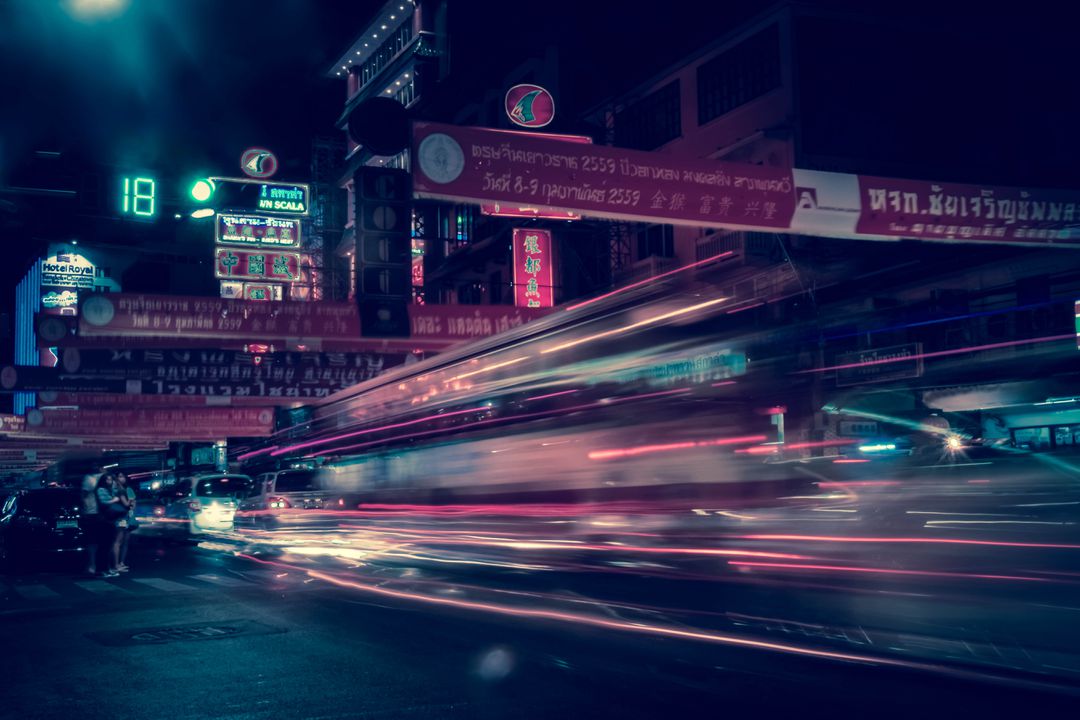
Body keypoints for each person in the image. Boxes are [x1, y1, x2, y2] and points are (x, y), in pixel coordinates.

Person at [95, 474, 125, 578]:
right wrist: (116, 500)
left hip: (114, 519)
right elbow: (104, 502)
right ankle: (106, 568)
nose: (110, 481)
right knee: (108, 544)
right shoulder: (101, 490)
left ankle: (110, 567)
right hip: (108, 519)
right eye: (108, 479)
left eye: (111, 479)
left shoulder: (112, 489)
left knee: (112, 543)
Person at [80, 471, 102, 576]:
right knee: (92, 540)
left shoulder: (104, 476)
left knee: (100, 540)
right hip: (93, 513)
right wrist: (86, 510)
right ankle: (92, 565)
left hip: (103, 513)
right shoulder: (88, 478)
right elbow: (83, 495)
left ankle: (99, 565)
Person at [115, 472, 137, 572]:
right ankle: (116, 564)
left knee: (125, 541)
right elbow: (129, 503)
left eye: (123, 476)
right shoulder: (117, 490)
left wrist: (131, 509)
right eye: (119, 476)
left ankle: (121, 562)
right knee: (119, 540)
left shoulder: (128, 489)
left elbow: (133, 504)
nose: (122, 478)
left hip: (127, 518)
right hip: (121, 518)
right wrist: (130, 504)